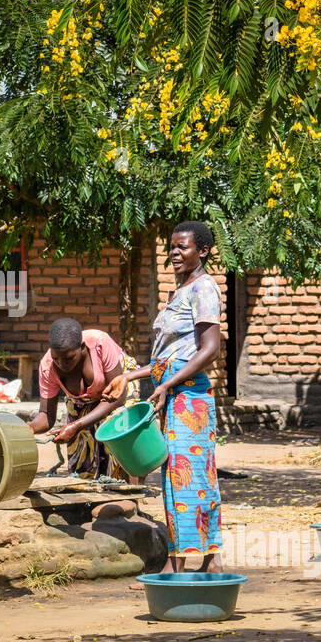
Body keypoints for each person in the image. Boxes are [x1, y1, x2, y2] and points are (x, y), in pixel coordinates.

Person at [104, 221, 223, 571]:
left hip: (190, 400)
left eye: (182, 247)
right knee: (176, 477)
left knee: (190, 476)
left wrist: (169, 384)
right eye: (171, 246)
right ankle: (197, 560)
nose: (174, 253)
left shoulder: (204, 289)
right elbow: (168, 358)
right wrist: (130, 375)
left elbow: (210, 349)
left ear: (202, 251)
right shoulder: (181, 292)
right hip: (172, 396)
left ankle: (190, 562)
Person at [27, 318, 140, 479]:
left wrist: (77, 424)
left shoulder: (99, 343)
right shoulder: (47, 367)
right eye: (56, 358)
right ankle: (88, 495)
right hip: (82, 399)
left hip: (118, 384)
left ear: (82, 347)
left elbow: (118, 397)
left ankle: (128, 491)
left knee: (119, 426)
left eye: (69, 358)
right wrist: (29, 428)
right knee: (81, 451)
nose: (61, 364)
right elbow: (46, 415)